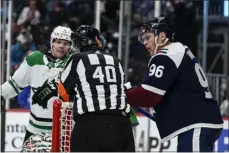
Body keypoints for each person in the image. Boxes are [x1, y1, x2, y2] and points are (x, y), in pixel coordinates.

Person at [125, 16, 224, 152]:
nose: (145, 43)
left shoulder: (165, 56)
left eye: (148, 37)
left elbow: (149, 95)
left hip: (197, 123)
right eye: (143, 40)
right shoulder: (179, 50)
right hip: (200, 121)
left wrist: (121, 95)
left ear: (162, 36)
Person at [57, 25, 135, 152]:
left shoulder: (77, 58)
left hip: (89, 125)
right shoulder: (116, 60)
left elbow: (63, 90)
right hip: (121, 125)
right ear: (96, 40)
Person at [1, 25, 73, 144]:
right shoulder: (34, 59)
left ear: (70, 46)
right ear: (52, 42)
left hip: (63, 131)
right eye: (58, 42)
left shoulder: (74, 63)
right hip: (35, 130)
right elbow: (15, 84)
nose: (61, 46)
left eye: (66, 43)